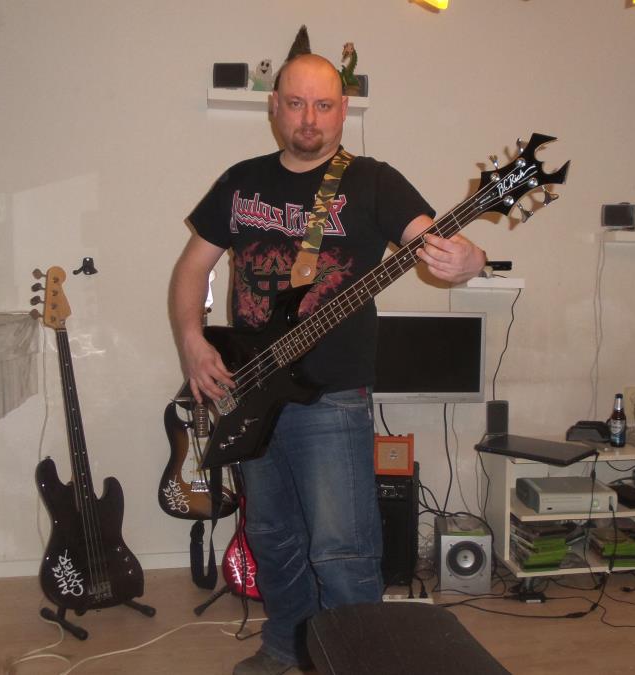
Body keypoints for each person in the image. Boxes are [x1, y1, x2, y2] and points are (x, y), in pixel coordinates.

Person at [169, 53, 486, 675]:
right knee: (272, 537)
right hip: (249, 388)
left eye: (323, 105)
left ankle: (355, 661)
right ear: (274, 107)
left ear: (343, 110)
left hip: (334, 397)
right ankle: (286, 647)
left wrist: (468, 260)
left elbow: (435, 243)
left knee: (343, 550)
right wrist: (191, 340)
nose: (309, 119)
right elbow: (191, 267)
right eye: (295, 103)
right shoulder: (241, 181)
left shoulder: (373, 181)